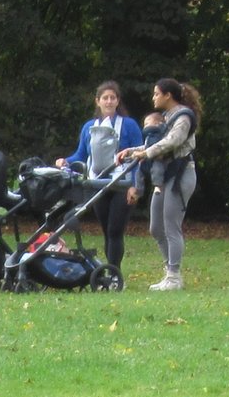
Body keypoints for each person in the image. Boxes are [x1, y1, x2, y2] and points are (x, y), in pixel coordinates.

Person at [61, 79, 145, 288]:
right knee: (107, 231)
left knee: (116, 230)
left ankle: (115, 274)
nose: (109, 101)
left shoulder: (129, 125)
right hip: (97, 184)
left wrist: (135, 185)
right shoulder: (89, 127)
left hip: (122, 184)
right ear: (97, 101)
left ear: (118, 101)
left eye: (112, 98)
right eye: (105, 98)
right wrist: (65, 161)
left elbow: (139, 156)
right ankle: (109, 274)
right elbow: (81, 154)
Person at [126, 78, 201, 291]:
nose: (153, 98)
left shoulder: (184, 116)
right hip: (166, 178)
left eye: (156, 93)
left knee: (171, 227)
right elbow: (155, 142)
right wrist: (132, 152)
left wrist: (146, 153)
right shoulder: (167, 117)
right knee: (156, 227)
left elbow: (173, 141)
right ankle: (169, 271)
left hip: (181, 176)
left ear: (168, 95)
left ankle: (174, 276)